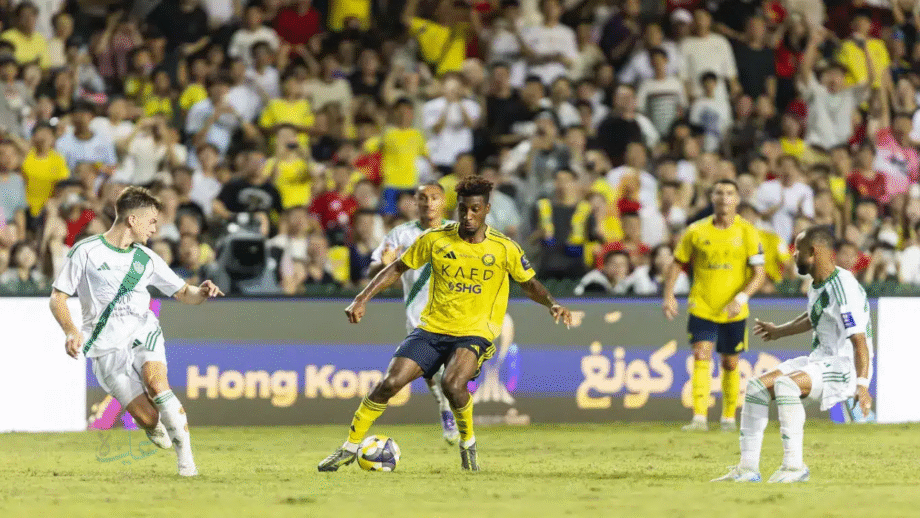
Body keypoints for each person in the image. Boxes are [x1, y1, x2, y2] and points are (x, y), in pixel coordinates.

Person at [317, 176, 573, 472]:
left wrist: (552, 303)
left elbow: (529, 284)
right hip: (432, 329)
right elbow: (397, 268)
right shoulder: (435, 239)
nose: (468, 216)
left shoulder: (504, 248)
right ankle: (349, 447)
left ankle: (468, 444)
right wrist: (362, 298)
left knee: (452, 384)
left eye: (475, 209)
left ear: (486, 209)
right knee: (389, 384)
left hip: (474, 332)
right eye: (463, 209)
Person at [48, 186, 224, 477]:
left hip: (143, 331)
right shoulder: (86, 252)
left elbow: (183, 292)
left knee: (157, 384)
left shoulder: (146, 258)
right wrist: (70, 331)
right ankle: (156, 427)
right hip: (105, 347)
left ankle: (187, 464)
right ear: (132, 220)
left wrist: (201, 292)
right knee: (149, 419)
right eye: (151, 221)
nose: (155, 228)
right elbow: (58, 298)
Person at [714, 225, 873, 483]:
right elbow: (813, 316)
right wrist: (779, 331)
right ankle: (747, 469)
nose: (793, 255)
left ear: (813, 252)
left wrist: (862, 385)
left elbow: (859, 340)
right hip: (819, 360)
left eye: (797, 250)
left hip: (844, 366)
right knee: (756, 388)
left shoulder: (843, 287)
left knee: (786, 386)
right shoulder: (817, 284)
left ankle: (794, 467)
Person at [663, 179, 766, 432]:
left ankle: (728, 418)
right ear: (712, 198)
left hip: (733, 310)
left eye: (729, 193)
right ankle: (699, 418)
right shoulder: (696, 231)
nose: (724, 197)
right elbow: (677, 263)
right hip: (703, 305)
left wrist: (740, 299)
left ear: (737, 199)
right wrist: (668, 295)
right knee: (701, 355)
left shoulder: (747, 232)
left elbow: (759, 274)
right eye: (719, 193)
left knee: (730, 362)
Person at [366, 182, 459, 443]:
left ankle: (449, 410)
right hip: (418, 314)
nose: (429, 203)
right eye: (423, 198)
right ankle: (445, 409)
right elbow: (373, 271)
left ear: (444, 202)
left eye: (434, 197)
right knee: (430, 368)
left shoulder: (457, 232)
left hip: (455, 310)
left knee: (452, 372)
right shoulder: (400, 234)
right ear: (415, 203)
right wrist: (384, 265)